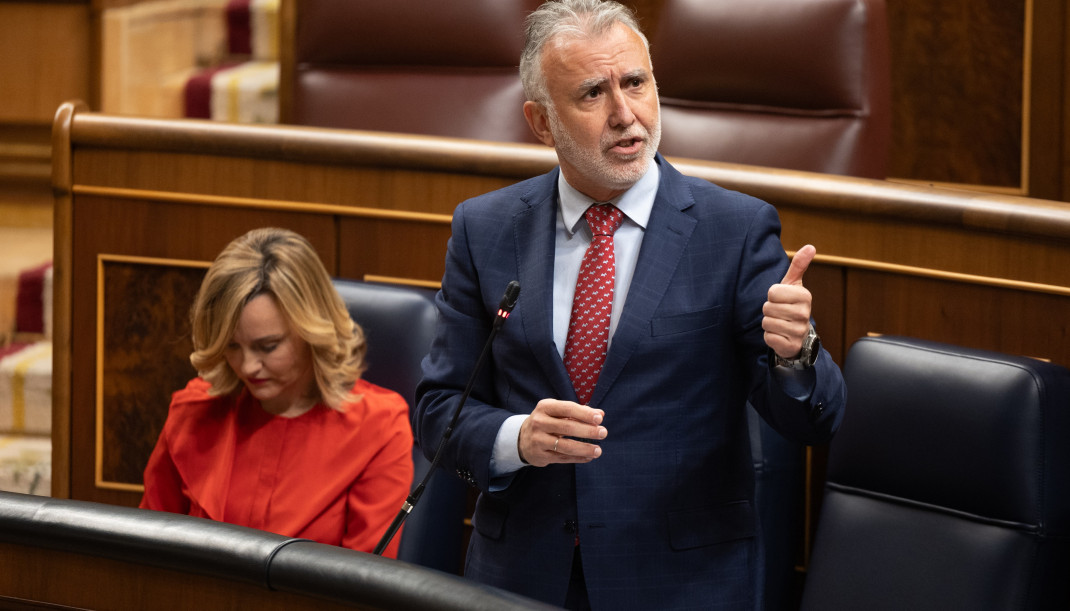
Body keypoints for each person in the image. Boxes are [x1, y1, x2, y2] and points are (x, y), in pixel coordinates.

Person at [413, 0, 847, 608]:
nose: (625, 114)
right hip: (522, 580)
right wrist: (517, 438)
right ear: (541, 123)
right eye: (592, 93)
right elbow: (438, 410)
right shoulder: (485, 230)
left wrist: (797, 354)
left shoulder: (734, 231)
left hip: (682, 585)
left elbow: (813, 421)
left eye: (636, 83)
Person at [140, 227, 414, 557]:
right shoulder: (194, 410)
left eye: (267, 346)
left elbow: (363, 585)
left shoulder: (378, 425)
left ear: (312, 329)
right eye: (232, 346)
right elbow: (148, 554)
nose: (247, 366)